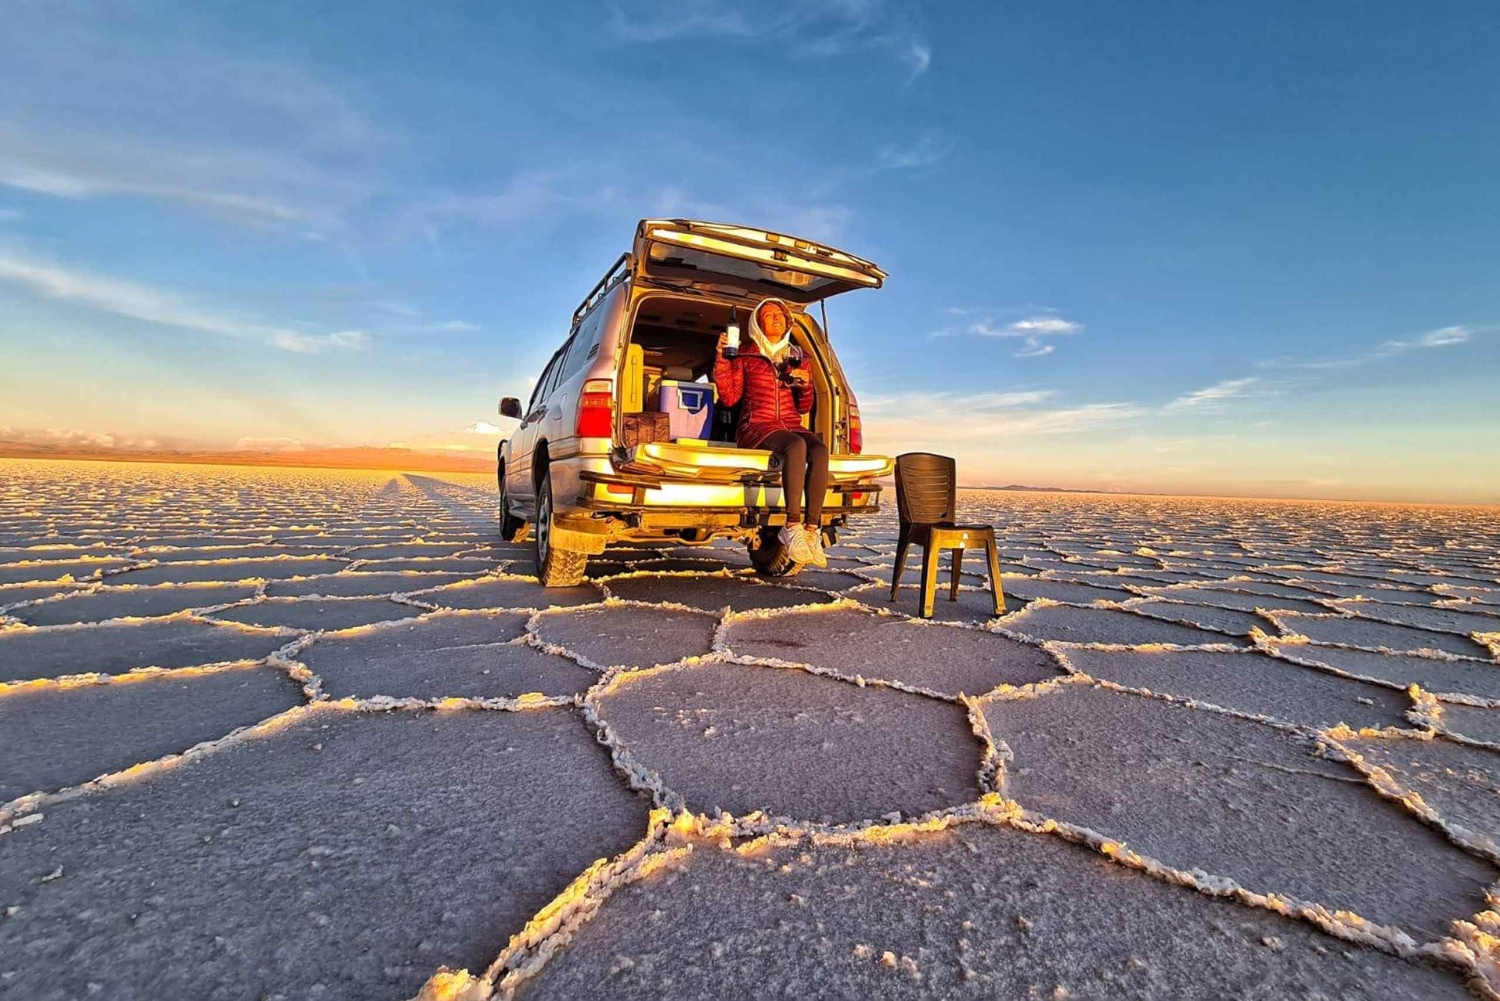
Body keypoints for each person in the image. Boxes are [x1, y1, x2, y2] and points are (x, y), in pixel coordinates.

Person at [713, 297, 830, 567]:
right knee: (796, 445)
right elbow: (729, 397)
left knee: (819, 450)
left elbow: (804, 407)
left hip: (790, 423)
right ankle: (792, 526)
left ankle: (811, 531)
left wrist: (805, 385)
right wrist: (722, 358)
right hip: (756, 425)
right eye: (768, 315)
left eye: (780, 314)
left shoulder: (798, 357)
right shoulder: (744, 354)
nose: (776, 317)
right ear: (757, 323)